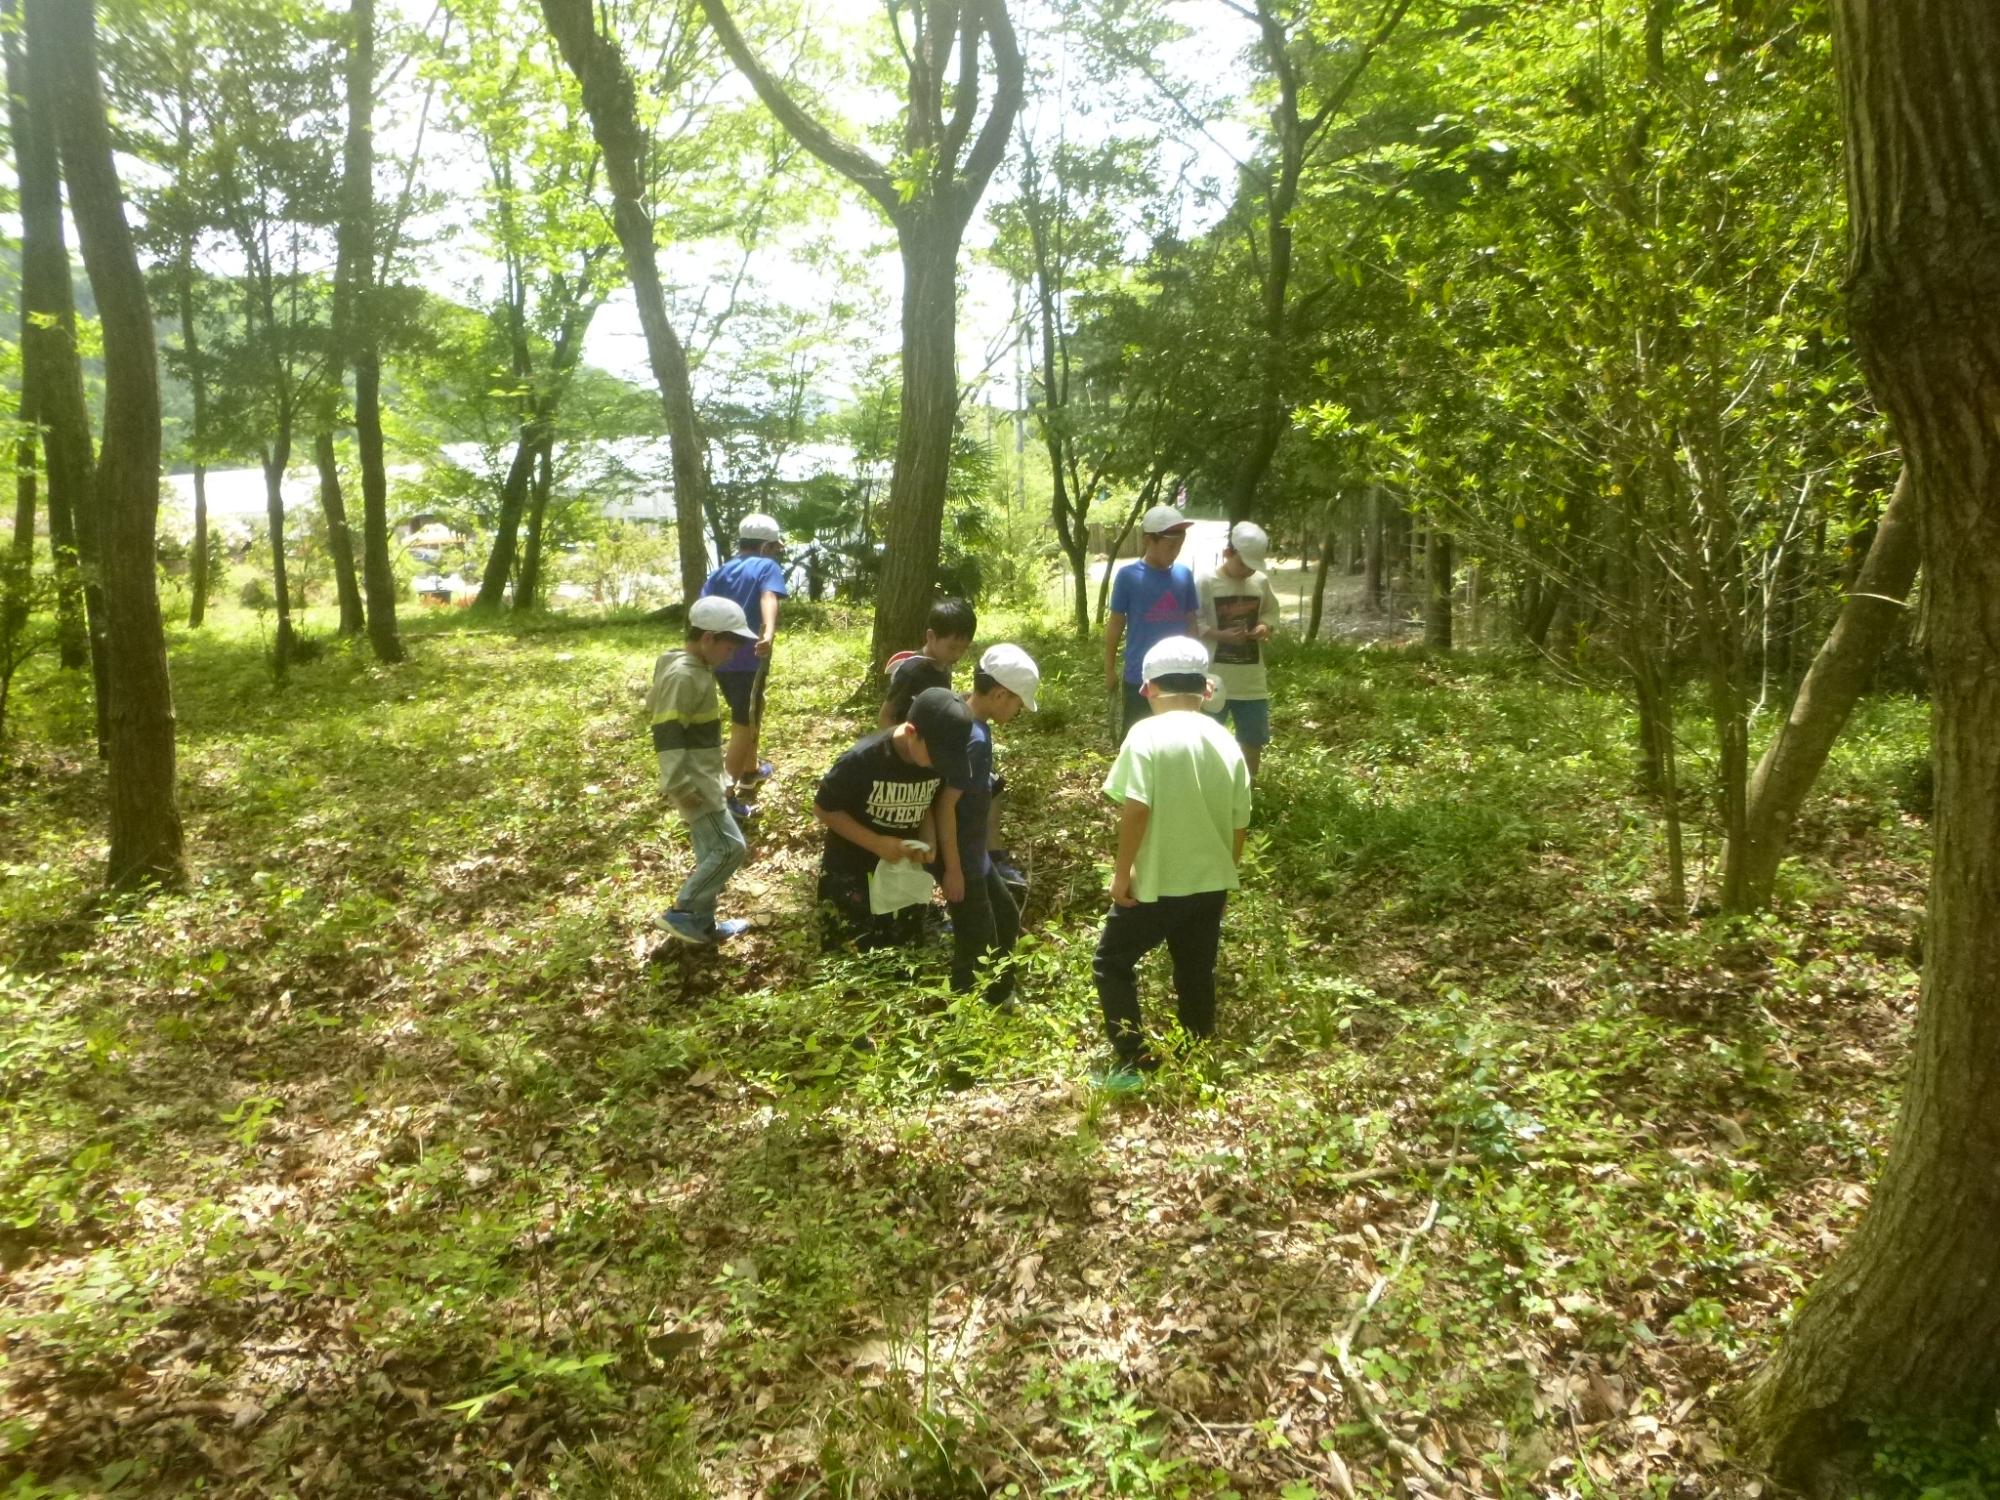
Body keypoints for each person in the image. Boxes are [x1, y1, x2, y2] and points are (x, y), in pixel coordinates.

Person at [1093, 635, 1252, 1082]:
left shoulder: (1146, 734)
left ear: (1148, 689)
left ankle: (1133, 1062)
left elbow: (1137, 807)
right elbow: (1239, 823)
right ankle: (1198, 1060)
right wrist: (1226, 877)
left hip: (1158, 883)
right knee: (1195, 970)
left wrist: (1121, 874)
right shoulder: (1226, 742)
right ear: (1206, 690)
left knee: (1112, 962)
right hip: (1210, 883)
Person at [813, 686, 974, 951]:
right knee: (849, 948)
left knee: (900, 949)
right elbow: (824, 809)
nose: (940, 765)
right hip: (851, 870)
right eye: (937, 756)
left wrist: (928, 842)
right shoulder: (862, 760)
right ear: (912, 732)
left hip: (900, 872)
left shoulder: (936, 763)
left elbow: (926, 805)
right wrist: (877, 842)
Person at [646, 597, 762, 945]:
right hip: (694, 783)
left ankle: (704, 922)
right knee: (730, 848)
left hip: (705, 778)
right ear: (708, 638)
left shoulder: (695, 669)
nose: (731, 655)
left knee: (709, 850)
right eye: (729, 647)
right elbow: (667, 735)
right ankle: (683, 912)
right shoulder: (683, 675)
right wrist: (680, 784)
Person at [934, 645, 1040, 1007]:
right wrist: (952, 870)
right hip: (961, 854)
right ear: (999, 694)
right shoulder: (975, 738)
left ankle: (1000, 992)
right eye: (1018, 702)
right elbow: (945, 805)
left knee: (1006, 914)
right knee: (973, 937)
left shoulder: (963, 712)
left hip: (973, 850)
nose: (1020, 709)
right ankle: (960, 1021)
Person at [700, 512, 787, 819]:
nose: (777, 553)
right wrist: (769, 630)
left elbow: (702, 610)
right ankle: (723, 796)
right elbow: (768, 596)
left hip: (719, 659)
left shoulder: (721, 571)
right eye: (776, 547)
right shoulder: (766, 566)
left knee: (750, 708)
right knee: (743, 723)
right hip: (749, 657)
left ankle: (751, 769)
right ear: (766, 547)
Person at [1196, 520, 1285, 777]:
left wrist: (1265, 628)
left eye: (1252, 567)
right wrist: (1219, 634)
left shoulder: (1260, 582)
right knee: (1208, 739)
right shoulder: (1206, 581)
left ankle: (1248, 790)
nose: (1247, 571)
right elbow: (1194, 621)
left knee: (1252, 739)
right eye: (1243, 564)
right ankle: (1210, 788)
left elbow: (1271, 612)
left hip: (1251, 681)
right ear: (1228, 553)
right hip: (1214, 676)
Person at [1104, 500, 1199, 743]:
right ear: (1148, 540)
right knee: (1136, 736)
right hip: (1140, 676)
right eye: (1170, 544)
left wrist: (1199, 665)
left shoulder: (1184, 576)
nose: (1176, 549)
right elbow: (1116, 624)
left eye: (1180, 543)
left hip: (1181, 674)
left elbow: (1191, 622)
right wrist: (1109, 668)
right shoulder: (1128, 577)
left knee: (1177, 738)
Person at [878, 597, 977, 728]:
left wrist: (957, 699)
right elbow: (886, 716)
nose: (958, 655)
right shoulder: (911, 671)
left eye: (964, 648)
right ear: (931, 636)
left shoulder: (943, 664)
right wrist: (902, 745)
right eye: (952, 648)